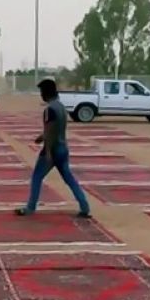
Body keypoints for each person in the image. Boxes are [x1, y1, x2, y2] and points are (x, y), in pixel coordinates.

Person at [16, 77, 91, 218]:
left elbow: (50, 131)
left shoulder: (49, 110)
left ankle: (30, 208)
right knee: (69, 179)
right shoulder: (61, 107)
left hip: (53, 149)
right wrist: (42, 136)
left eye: (41, 91)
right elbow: (56, 129)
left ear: (46, 92)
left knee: (37, 177)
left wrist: (48, 152)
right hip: (63, 147)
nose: (41, 94)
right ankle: (85, 207)